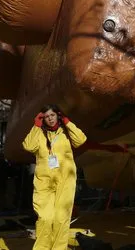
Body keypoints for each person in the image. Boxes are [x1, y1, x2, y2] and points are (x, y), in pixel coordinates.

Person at [23, 105, 87, 250]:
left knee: (61, 219)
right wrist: (36, 126)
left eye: (52, 115)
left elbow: (81, 140)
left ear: (58, 116)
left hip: (65, 180)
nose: (50, 119)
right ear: (42, 119)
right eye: (46, 116)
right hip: (43, 182)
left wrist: (67, 121)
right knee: (45, 218)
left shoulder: (66, 131)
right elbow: (28, 146)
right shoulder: (39, 132)